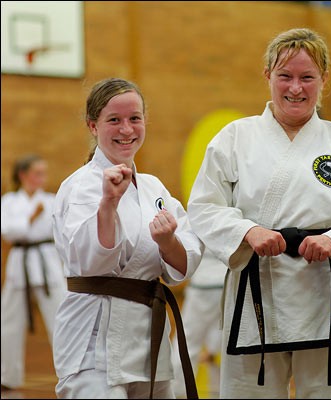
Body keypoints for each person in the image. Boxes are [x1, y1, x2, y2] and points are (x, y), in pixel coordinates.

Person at [186, 27, 331, 399]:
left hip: (326, 291)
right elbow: (204, 206)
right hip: (256, 288)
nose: (295, 88)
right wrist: (247, 232)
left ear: (324, 80)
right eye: (285, 76)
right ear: (267, 75)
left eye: (307, 77)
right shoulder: (233, 139)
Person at [51, 77, 203, 399]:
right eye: (114, 120)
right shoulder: (81, 186)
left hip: (149, 339)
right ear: (93, 126)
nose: (126, 129)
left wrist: (168, 242)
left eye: (135, 118)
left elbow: (185, 263)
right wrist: (108, 203)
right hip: (94, 341)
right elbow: (88, 261)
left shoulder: (153, 188)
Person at [1, 154, 67, 391]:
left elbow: (62, 233)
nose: (42, 178)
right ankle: (7, 376)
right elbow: (7, 231)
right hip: (21, 262)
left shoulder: (51, 200)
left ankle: (70, 374)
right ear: (23, 175)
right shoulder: (9, 201)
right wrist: (31, 217)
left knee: (62, 321)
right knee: (8, 322)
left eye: (43, 173)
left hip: (47, 262)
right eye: (37, 173)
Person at [170, 248, 227, 398]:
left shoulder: (191, 222)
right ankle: (221, 393)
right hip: (229, 281)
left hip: (203, 282)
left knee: (187, 342)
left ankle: (178, 392)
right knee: (224, 345)